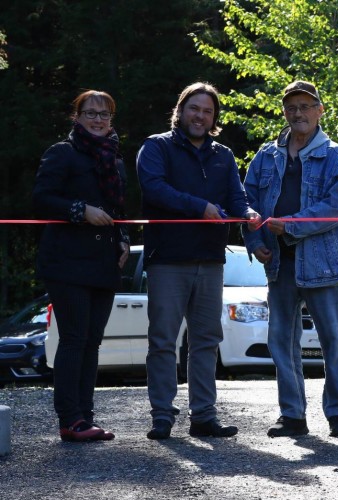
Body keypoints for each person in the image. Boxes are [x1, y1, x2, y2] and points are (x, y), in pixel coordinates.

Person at [137, 82, 260, 440]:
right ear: (180, 110)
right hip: (167, 260)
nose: (200, 116)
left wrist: (248, 213)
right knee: (162, 340)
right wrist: (200, 208)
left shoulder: (223, 154)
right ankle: (162, 416)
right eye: (194, 108)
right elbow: (154, 188)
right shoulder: (156, 146)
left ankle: (203, 416)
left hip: (210, 260)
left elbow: (237, 198)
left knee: (206, 340)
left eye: (207, 111)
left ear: (214, 118)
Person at [242, 81, 338, 437]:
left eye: (306, 106)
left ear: (320, 111)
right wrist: (255, 239)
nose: (298, 113)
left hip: (324, 264)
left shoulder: (335, 156)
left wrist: (288, 226)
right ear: (284, 112)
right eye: (292, 107)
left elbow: (336, 209)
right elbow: (245, 201)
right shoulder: (266, 155)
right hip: (278, 265)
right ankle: (293, 416)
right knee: (280, 342)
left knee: (333, 341)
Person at [33, 90, 129, 442]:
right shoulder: (62, 153)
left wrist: (123, 240)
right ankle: (69, 419)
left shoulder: (116, 160)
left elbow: (119, 211)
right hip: (67, 262)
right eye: (90, 112)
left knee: (92, 341)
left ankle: (85, 417)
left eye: (105, 114)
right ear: (77, 116)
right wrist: (80, 210)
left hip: (103, 262)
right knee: (73, 339)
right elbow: (41, 199)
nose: (98, 119)